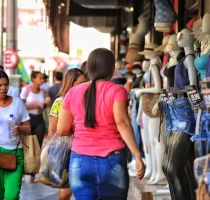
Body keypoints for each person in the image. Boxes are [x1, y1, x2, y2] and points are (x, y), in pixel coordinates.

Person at [57, 48, 145, 200]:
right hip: (111, 160)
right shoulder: (117, 90)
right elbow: (122, 122)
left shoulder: (73, 92)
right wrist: (137, 155)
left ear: (89, 68)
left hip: (79, 162)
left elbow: (62, 129)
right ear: (111, 68)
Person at [0, 70, 30, 200]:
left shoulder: (18, 103)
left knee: (12, 195)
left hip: (15, 153)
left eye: (6, 85)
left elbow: (28, 128)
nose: (3, 88)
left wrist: (20, 129)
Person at [48, 68, 86, 200]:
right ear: (70, 83)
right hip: (66, 151)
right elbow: (52, 131)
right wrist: (52, 152)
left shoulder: (89, 102)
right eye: (79, 83)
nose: (83, 85)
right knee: (64, 193)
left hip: (86, 149)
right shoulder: (59, 102)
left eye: (84, 82)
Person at [20, 71, 47, 183]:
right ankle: (21, 172)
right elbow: (21, 105)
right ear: (33, 79)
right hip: (28, 119)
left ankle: (32, 174)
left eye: (42, 78)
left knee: (36, 145)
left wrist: (44, 106)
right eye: (40, 78)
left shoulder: (44, 91)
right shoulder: (26, 90)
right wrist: (34, 106)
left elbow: (45, 105)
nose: (42, 80)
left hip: (39, 119)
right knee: (27, 145)